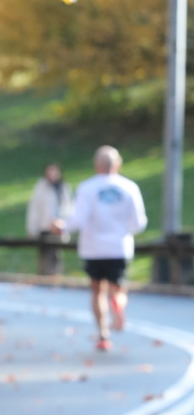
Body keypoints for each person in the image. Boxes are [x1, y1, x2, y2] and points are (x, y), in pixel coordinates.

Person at [65, 145, 147, 350]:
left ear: (96, 165)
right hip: (118, 247)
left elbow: (77, 220)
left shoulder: (86, 188)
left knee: (97, 291)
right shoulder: (129, 187)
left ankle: (103, 335)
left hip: (93, 248)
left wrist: (63, 228)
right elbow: (139, 224)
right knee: (118, 288)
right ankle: (118, 303)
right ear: (117, 164)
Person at [26, 163, 73, 240]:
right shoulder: (41, 188)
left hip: (60, 229)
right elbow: (34, 209)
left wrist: (64, 223)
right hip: (45, 229)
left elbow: (68, 208)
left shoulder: (64, 188)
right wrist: (32, 229)